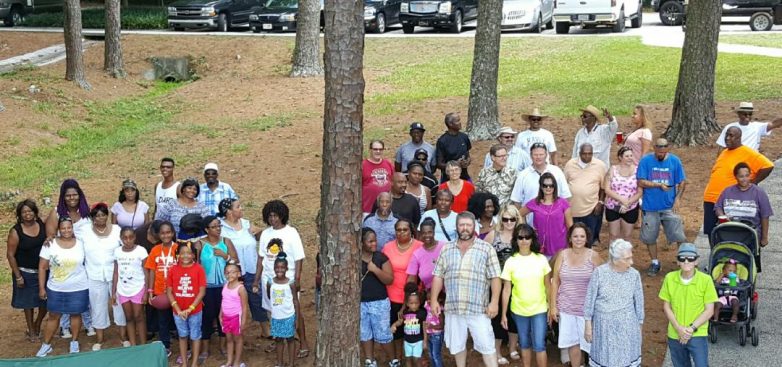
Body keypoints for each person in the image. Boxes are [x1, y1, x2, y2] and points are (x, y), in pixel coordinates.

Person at [429, 212, 501, 367]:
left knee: (487, 346)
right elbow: (438, 276)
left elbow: (495, 277)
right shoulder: (446, 249)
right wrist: (434, 299)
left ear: (474, 227)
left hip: (479, 309)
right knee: (457, 346)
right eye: (462, 225)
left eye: (468, 225)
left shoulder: (486, 249)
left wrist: (494, 302)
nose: (465, 228)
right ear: (456, 227)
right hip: (454, 308)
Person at [253, 199, 308, 358]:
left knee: (293, 311)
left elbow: (299, 258)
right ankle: (278, 339)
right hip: (269, 281)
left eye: (276, 216)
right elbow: (261, 259)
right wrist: (257, 280)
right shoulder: (265, 234)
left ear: (282, 216)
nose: (273, 219)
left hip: (287, 282)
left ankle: (302, 341)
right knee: (273, 311)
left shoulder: (291, 233)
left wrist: (297, 279)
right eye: (270, 216)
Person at [702, 126, 773, 237]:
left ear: (739, 137)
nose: (727, 138)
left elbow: (768, 166)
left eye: (731, 135)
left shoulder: (747, 152)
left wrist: (752, 183)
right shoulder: (724, 152)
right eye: (726, 135)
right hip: (710, 200)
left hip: (727, 202)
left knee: (727, 235)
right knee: (712, 234)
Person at [583, 239, 644, 367]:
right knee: (605, 359)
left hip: (627, 326)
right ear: (615, 260)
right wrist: (588, 325)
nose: (631, 262)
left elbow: (639, 302)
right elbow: (589, 300)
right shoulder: (599, 273)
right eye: (627, 259)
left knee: (625, 359)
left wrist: (639, 327)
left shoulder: (634, 275)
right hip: (603, 327)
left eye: (631, 257)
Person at [549, 223, 603, 367]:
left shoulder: (594, 256)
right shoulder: (562, 255)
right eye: (575, 236)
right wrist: (553, 307)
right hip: (566, 308)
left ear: (587, 239)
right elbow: (555, 282)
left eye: (582, 236)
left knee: (590, 344)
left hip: (587, 310)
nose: (578, 239)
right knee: (573, 343)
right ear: (570, 238)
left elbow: (603, 282)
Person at [36, 217, 89, 357]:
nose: (66, 230)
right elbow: (42, 267)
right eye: (63, 228)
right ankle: (46, 345)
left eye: (69, 227)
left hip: (79, 287)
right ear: (59, 229)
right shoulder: (50, 244)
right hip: (56, 288)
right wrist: (41, 288)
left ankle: (74, 342)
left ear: (73, 228)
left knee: (75, 314)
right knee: (54, 315)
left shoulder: (81, 243)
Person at [500, 223, 551, 367]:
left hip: (540, 309)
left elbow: (548, 285)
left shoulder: (541, 259)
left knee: (540, 345)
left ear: (532, 239)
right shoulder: (510, 261)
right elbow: (506, 290)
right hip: (519, 310)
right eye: (520, 237)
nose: (524, 240)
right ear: (515, 240)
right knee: (524, 343)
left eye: (527, 237)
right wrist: (504, 314)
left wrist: (551, 307)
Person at [659, 243, 717, 367]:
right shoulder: (669, 278)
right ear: (677, 261)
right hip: (675, 333)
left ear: (696, 261)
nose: (686, 261)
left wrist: (691, 329)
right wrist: (678, 328)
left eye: (690, 258)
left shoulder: (706, 280)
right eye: (682, 258)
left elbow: (709, 310)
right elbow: (666, 306)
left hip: (697, 333)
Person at [637, 138, 688, 277]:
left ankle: (683, 262)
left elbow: (682, 181)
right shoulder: (646, 161)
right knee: (650, 237)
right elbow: (640, 181)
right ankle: (655, 262)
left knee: (679, 235)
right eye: (658, 149)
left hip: (669, 206)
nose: (661, 152)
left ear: (668, 148)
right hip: (650, 206)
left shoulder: (675, 161)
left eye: (663, 150)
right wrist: (657, 185)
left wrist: (678, 199)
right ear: (654, 148)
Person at [218, 198, 268, 336]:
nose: (241, 209)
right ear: (229, 212)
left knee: (257, 299)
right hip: (233, 273)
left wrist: (261, 233)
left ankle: (265, 329)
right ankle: (232, 332)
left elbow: (261, 234)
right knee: (232, 301)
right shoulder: (221, 228)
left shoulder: (246, 224)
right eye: (238, 207)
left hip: (251, 269)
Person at [82, 203, 127, 351]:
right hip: (94, 275)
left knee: (119, 304)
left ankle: (123, 337)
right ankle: (100, 339)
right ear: (92, 218)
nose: (100, 218)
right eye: (97, 215)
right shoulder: (84, 232)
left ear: (107, 216)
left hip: (115, 275)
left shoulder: (116, 230)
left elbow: (126, 247)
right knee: (97, 306)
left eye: (103, 214)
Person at [715, 162, 773, 270]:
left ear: (750, 175)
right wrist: (722, 216)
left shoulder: (759, 193)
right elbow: (718, 207)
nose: (744, 179)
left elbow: (765, 216)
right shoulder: (727, 191)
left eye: (747, 175)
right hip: (729, 231)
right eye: (741, 176)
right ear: (736, 177)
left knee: (748, 265)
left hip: (749, 233)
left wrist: (764, 237)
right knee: (726, 262)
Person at [483, 205, 521, 365]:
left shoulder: (522, 235)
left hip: (518, 282)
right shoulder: (493, 235)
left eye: (513, 219)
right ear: (501, 219)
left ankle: (512, 347)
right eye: (505, 219)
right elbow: (481, 253)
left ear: (517, 219)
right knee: (497, 317)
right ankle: (497, 351)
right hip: (497, 282)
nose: (509, 222)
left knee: (515, 317)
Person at [197, 215, 238, 361]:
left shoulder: (226, 242)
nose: (218, 229)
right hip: (207, 287)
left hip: (225, 287)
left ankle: (223, 346)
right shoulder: (199, 244)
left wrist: (225, 256)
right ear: (206, 229)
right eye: (214, 227)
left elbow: (236, 262)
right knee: (207, 317)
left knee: (224, 317)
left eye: (219, 225)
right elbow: (195, 266)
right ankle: (205, 349)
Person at [382, 219, 423, 364]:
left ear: (411, 231)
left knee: (414, 329)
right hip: (391, 295)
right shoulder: (387, 247)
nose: (401, 232)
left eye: (405, 229)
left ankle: (415, 358)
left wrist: (406, 303)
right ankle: (397, 358)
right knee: (395, 331)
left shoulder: (419, 246)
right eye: (398, 230)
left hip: (412, 299)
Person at [7, 199, 47, 342]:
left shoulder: (42, 225)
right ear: (20, 215)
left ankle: (38, 324)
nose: (27, 214)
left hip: (43, 271)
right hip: (25, 272)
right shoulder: (15, 231)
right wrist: (18, 276)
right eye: (24, 212)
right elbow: (10, 255)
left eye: (29, 211)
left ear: (35, 212)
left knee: (46, 302)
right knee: (28, 304)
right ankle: (31, 330)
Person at [359, 228, 395, 367]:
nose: (374, 243)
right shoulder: (354, 258)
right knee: (365, 333)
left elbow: (389, 279)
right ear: (362, 242)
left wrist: (375, 269)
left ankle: (393, 360)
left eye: (375, 240)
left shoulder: (381, 258)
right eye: (370, 241)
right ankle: (370, 360)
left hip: (379, 302)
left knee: (383, 334)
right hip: (361, 303)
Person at [167, 243, 207, 367]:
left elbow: (202, 291)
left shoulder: (199, 269)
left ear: (194, 255)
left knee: (195, 336)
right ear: (177, 255)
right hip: (178, 311)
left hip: (195, 310)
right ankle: (184, 363)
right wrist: (178, 309)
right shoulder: (173, 269)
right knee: (182, 336)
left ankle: (194, 363)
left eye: (188, 253)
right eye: (182, 253)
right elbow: (169, 291)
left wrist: (190, 308)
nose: (185, 256)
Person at [510, 143, 571, 223]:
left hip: (555, 223)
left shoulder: (557, 172)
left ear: (546, 155)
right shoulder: (523, 175)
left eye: (541, 154)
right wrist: (523, 224)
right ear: (531, 156)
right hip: (531, 226)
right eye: (535, 154)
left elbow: (566, 198)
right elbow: (517, 202)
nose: (538, 157)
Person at [518, 173, 573, 259]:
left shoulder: (563, 203)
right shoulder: (535, 202)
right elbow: (518, 214)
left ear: (555, 187)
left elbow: (570, 226)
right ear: (541, 186)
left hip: (561, 247)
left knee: (558, 272)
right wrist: (527, 229)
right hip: (540, 246)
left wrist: (571, 244)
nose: (548, 188)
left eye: (551, 185)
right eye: (545, 185)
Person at [144, 221, 179, 354]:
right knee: (162, 320)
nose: (166, 235)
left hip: (176, 291)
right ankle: (166, 345)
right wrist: (150, 290)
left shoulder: (178, 248)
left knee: (178, 317)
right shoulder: (155, 250)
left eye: (168, 232)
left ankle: (185, 344)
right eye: (163, 233)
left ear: (173, 233)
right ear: (158, 235)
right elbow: (151, 270)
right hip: (159, 290)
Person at [564, 143, 607, 246]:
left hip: (591, 210)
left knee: (588, 239)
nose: (587, 156)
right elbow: (563, 186)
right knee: (573, 239)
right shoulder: (570, 164)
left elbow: (603, 187)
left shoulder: (600, 165)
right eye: (584, 154)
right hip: (572, 210)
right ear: (579, 153)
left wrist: (600, 203)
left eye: (589, 154)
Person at [112, 227, 148, 346]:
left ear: (135, 237)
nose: (128, 240)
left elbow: (146, 271)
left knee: (139, 316)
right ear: (121, 238)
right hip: (123, 290)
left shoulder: (141, 251)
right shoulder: (117, 251)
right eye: (125, 238)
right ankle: (133, 344)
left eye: (131, 237)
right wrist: (114, 292)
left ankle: (143, 344)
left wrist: (147, 291)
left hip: (138, 288)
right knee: (128, 317)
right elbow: (116, 272)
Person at [267, 252, 300, 367]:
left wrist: (297, 319)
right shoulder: (270, 282)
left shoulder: (290, 283)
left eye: (282, 267)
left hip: (288, 316)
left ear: (286, 268)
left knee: (290, 339)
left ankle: (291, 363)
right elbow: (269, 295)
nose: (279, 270)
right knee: (278, 339)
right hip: (276, 317)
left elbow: (295, 301)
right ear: (274, 268)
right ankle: (279, 363)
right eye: (277, 267)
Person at [604, 146, 642, 244]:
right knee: (613, 235)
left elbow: (640, 192)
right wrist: (621, 199)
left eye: (631, 156)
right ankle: (612, 258)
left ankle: (626, 258)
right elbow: (607, 189)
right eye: (627, 156)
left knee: (627, 235)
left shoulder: (638, 171)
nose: (630, 158)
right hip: (613, 206)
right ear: (620, 157)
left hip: (631, 207)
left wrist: (627, 203)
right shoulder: (612, 169)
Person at [715, 101, 782, 151]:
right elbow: (722, 146)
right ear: (739, 114)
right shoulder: (730, 127)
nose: (748, 116)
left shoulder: (757, 127)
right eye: (745, 114)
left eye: (750, 114)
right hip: (735, 157)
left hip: (751, 158)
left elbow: (774, 124)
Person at [390, 284, 428, 367]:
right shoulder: (405, 312)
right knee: (408, 358)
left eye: (416, 303)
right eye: (411, 303)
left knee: (417, 359)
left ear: (419, 302)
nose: (414, 305)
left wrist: (425, 341)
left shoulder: (422, 313)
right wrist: (394, 325)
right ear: (407, 303)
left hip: (418, 341)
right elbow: (400, 321)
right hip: (407, 341)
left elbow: (424, 327)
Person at [220, 263, 250, 367]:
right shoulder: (225, 286)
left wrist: (244, 321)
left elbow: (245, 306)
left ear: (239, 274)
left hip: (236, 318)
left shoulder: (241, 288)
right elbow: (223, 300)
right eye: (227, 272)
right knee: (229, 339)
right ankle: (229, 361)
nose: (230, 275)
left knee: (238, 339)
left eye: (233, 272)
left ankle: (237, 362)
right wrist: (220, 314)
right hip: (226, 317)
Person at [406, 218, 444, 291]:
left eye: (430, 232)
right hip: (428, 294)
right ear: (420, 234)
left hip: (447, 293)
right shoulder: (417, 254)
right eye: (424, 232)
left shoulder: (444, 247)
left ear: (434, 232)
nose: (427, 235)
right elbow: (411, 278)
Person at [435, 112, 472, 182]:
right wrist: (455, 165)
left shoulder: (464, 137)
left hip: (464, 176)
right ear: (450, 124)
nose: (460, 122)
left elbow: (468, 155)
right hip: (448, 179)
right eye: (457, 121)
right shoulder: (442, 141)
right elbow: (439, 164)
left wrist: (467, 162)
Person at [363, 139, 395, 214]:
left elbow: (393, 181)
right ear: (370, 150)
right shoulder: (363, 165)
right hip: (368, 209)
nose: (378, 151)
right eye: (375, 149)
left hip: (386, 209)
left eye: (380, 149)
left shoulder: (388, 164)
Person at [713, 259, 741, 323]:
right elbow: (716, 283)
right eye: (730, 270)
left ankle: (734, 316)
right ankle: (715, 318)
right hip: (722, 297)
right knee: (717, 304)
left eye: (734, 271)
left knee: (735, 303)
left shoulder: (736, 278)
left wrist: (734, 281)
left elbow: (738, 286)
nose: (732, 272)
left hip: (733, 296)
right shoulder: (722, 278)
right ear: (724, 270)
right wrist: (722, 274)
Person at [424, 291, 446, 367]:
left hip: (437, 335)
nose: (429, 301)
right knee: (431, 354)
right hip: (430, 334)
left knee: (436, 355)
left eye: (431, 299)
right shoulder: (427, 306)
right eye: (427, 299)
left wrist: (431, 327)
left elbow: (442, 326)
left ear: (439, 300)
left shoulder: (439, 310)